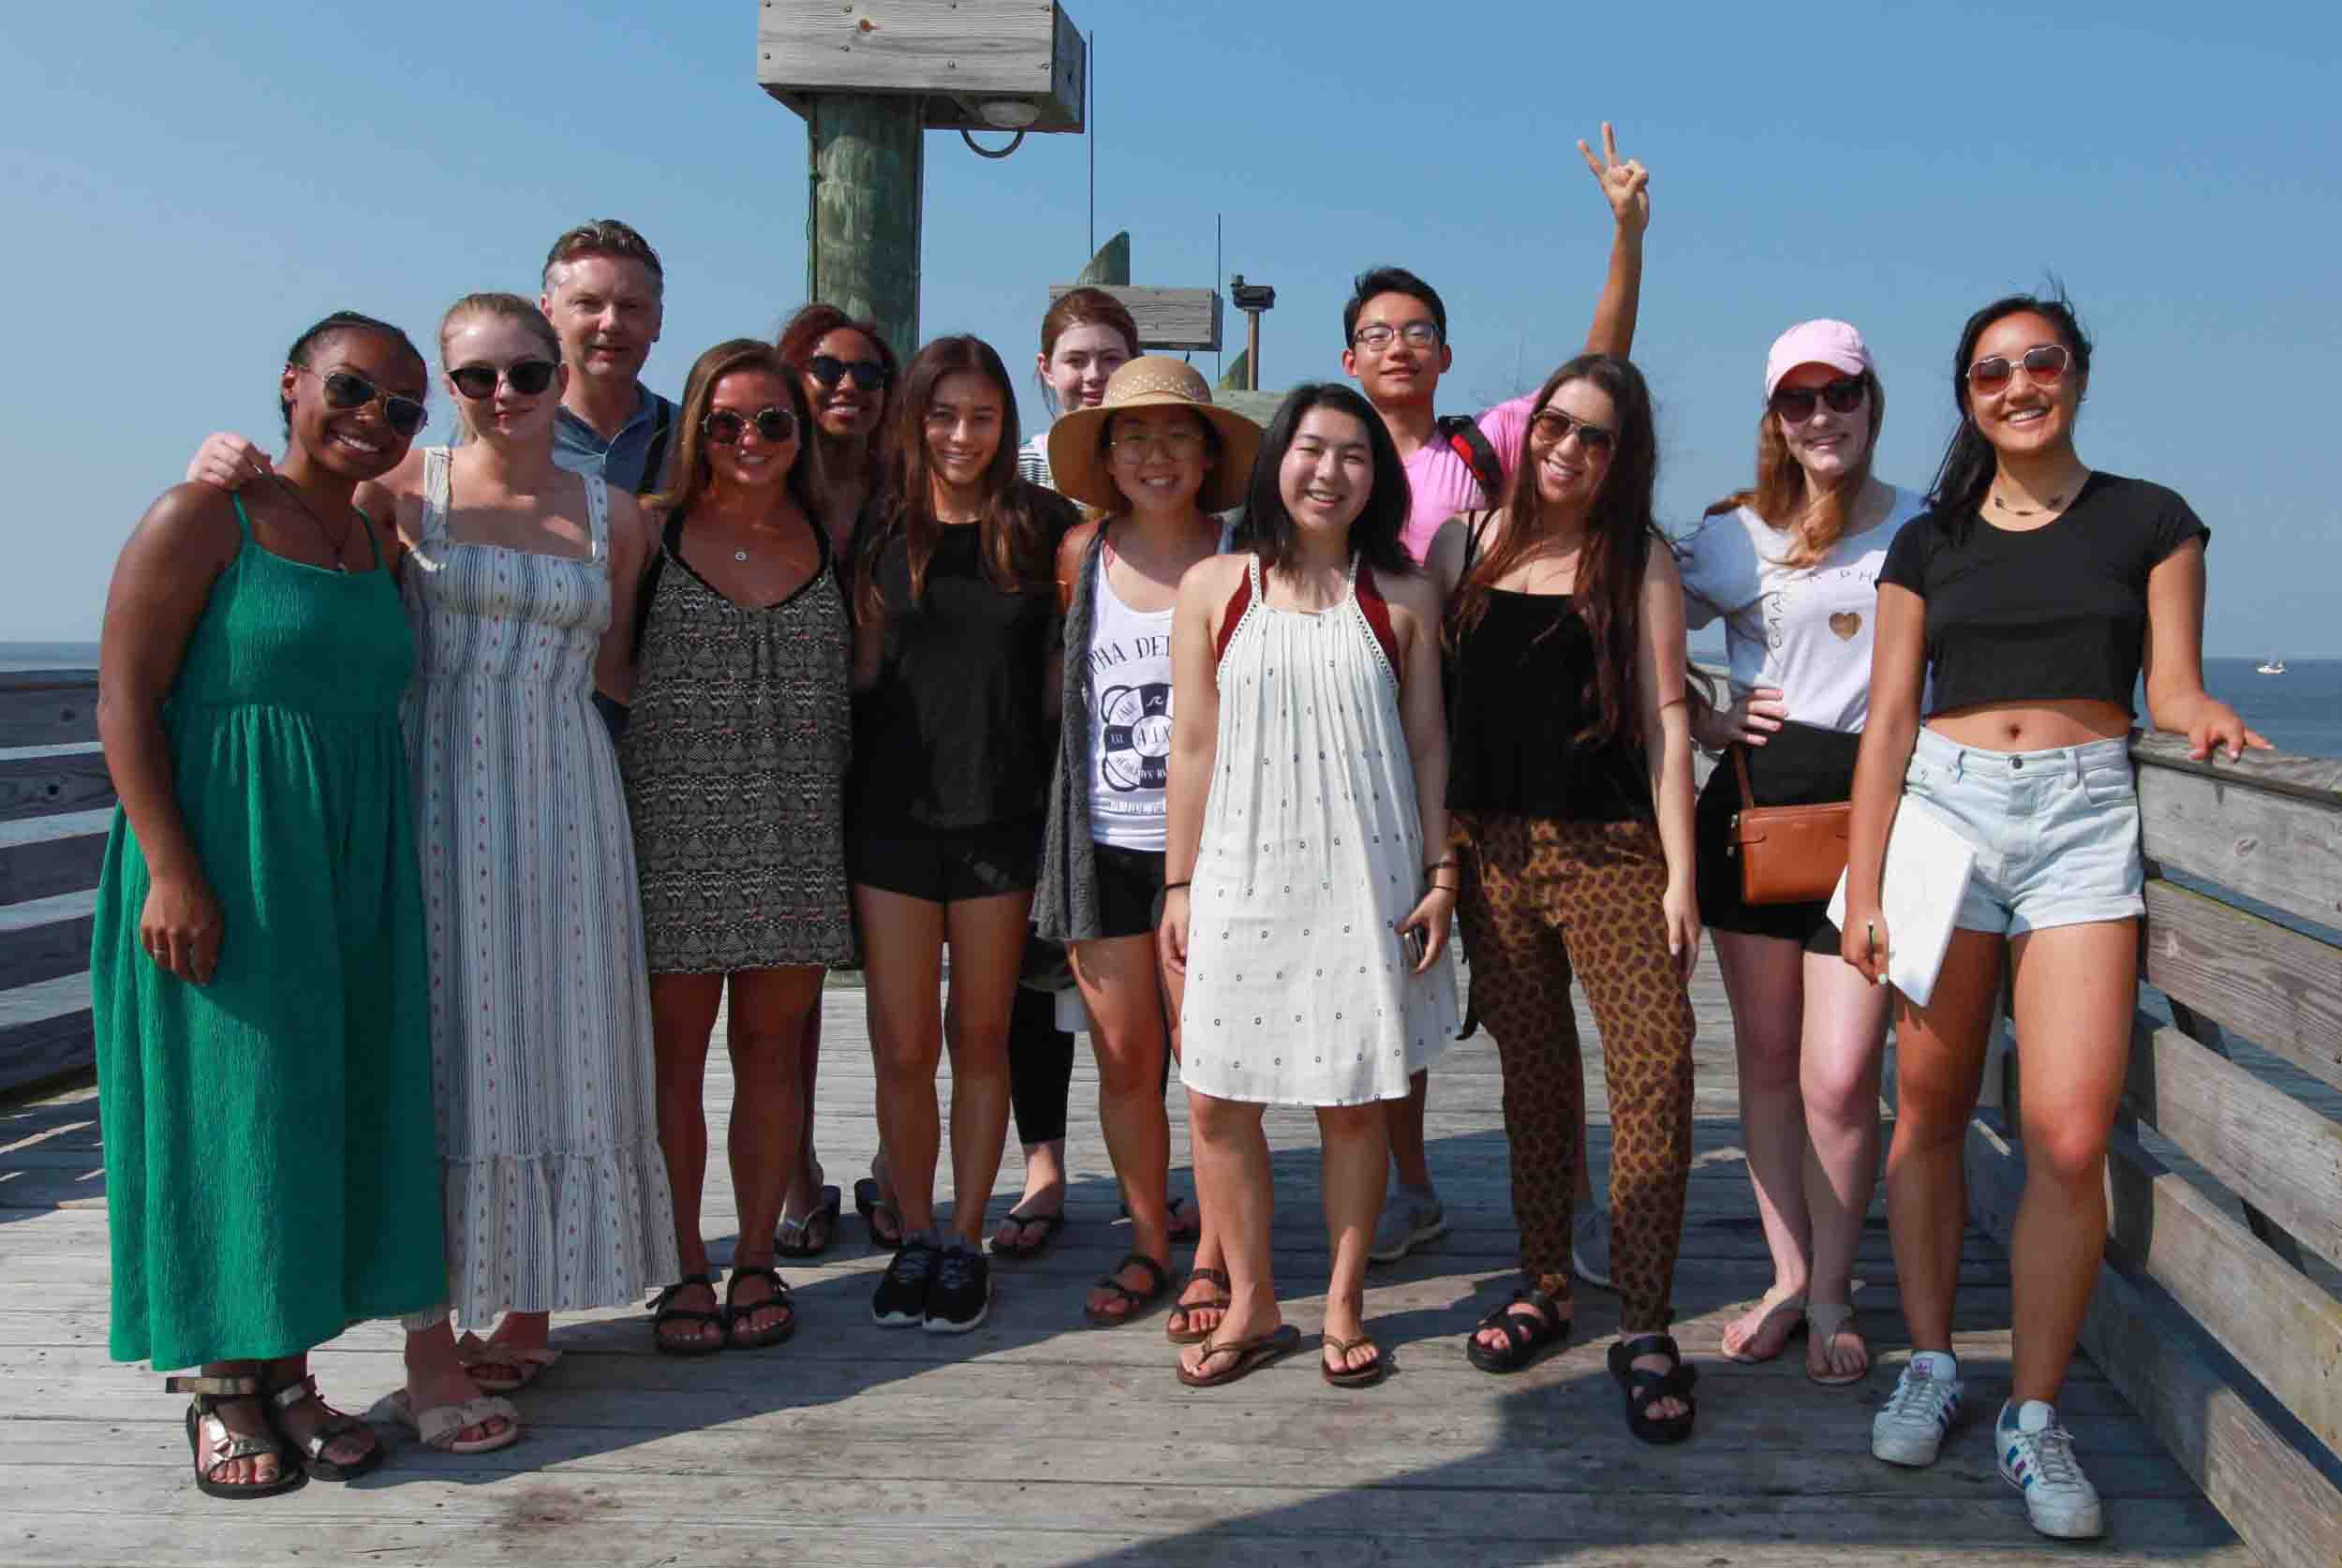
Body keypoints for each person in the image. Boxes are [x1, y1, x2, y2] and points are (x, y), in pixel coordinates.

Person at [1845, 291, 2262, 1540]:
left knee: (2069, 1136)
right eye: (1992, 371)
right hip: (1944, 814)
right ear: (1967, 394)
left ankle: (2033, 1414)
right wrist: (1865, 887)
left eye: (2040, 361)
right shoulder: (1927, 542)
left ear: (2076, 373)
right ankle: (1931, 1360)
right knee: (1926, 1106)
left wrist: (2203, 720)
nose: (2019, 383)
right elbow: (1886, 721)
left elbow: (2173, 680)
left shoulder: (2152, 520)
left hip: (2086, 822)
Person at [95, 311, 452, 1496]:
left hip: (347, 861)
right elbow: (124, 702)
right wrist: (174, 870)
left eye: (404, 408)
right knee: (224, 1110)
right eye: (353, 390)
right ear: (292, 385)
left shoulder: (374, 537)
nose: (376, 420)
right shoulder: (203, 515)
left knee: (315, 1105)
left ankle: (288, 1370)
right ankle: (220, 1386)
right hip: (224, 851)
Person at [1343, 124, 1652, 1272]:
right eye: (1377, 334)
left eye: (1417, 331)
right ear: (1350, 355)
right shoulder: (1326, 458)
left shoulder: (1485, 448)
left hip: (1471, 750)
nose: (1399, 347)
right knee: (1393, 975)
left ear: (1444, 348)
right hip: (1353, 744)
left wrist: (1623, 233)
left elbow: (1601, 369)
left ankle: (1572, 1204)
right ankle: (1408, 1186)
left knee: (1521, 1001)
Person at [1163, 383, 1459, 1389]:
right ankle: (1250, 1300)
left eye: (1353, 456)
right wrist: (1177, 884)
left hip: (1362, 868)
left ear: (1376, 479)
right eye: (1310, 449)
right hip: (1239, 869)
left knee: (1353, 1098)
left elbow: (1426, 745)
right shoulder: (1216, 584)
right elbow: (1191, 748)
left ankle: (1339, 1301)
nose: (1328, 472)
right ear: (1275, 461)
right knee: (1215, 1097)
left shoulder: (1403, 596)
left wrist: (1441, 870)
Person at [1430, 353, 1701, 1443]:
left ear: (1620, 455)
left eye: (1594, 436)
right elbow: (1435, 712)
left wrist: (1681, 870)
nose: (1568, 449)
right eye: (1556, 425)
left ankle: (1642, 1318)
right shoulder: (1466, 544)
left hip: (1612, 851)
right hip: (1493, 852)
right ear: (1526, 426)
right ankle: (1544, 1280)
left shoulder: (1634, 557)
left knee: (1655, 1069)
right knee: (1533, 1077)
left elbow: (1673, 716)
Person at [1676, 320, 1925, 1384]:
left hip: (1877, 826)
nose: (1821, 416)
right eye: (1798, 400)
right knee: (1770, 1068)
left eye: (1841, 395)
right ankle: (1791, 1279)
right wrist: (1697, 716)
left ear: (1872, 403)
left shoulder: (1925, 529)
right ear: (1773, 416)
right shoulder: (1731, 535)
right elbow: (1622, 623)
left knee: (1839, 1078)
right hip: (1751, 819)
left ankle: (1834, 1289)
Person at [183, 219, 675, 732]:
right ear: (548, 313)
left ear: (659, 320)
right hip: (435, 746)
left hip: (614, 751)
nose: (611, 323)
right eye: (589, 303)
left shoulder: (707, 445)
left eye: (632, 307)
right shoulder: (417, 469)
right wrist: (233, 478)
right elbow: (316, 531)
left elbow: (622, 660)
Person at [621, 340, 855, 1353]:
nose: (750, 440)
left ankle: (756, 1257)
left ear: (799, 435)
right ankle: (682, 1266)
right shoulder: (647, 530)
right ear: (694, 433)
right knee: (674, 1061)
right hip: (673, 822)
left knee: (769, 1057)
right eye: (725, 423)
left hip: (798, 825)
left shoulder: (834, 531)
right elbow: (605, 668)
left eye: (772, 422)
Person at [851, 334, 1081, 1332]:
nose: (960, 434)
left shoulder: (1042, 528)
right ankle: (911, 1234)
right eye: (942, 414)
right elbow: (857, 675)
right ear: (914, 419)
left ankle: (967, 1239)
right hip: (888, 823)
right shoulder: (874, 530)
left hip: (1002, 819)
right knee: (901, 1046)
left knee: (979, 1037)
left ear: (1005, 424)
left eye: (980, 416)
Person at [1032, 357, 1262, 1327]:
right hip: (1100, 848)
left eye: (1177, 436)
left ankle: (1215, 1253)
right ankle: (1146, 1238)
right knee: (1125, 1061)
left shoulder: (1247, 556)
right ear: (1106, 456)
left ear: (1208, 453)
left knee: (1207, 1064)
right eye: (1134, 438)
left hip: (1213, 859)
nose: (1156, 456)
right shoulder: (1080, 554)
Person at [769, 303, 901, 1257]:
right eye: (823, 370)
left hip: (899, 756)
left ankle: (899, 1171)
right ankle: (795, 1173)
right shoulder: (759, 483)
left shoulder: (910, 490)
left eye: (866, 372)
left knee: (901, 985)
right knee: (793, 991)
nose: (846, 386)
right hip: (787, 757)